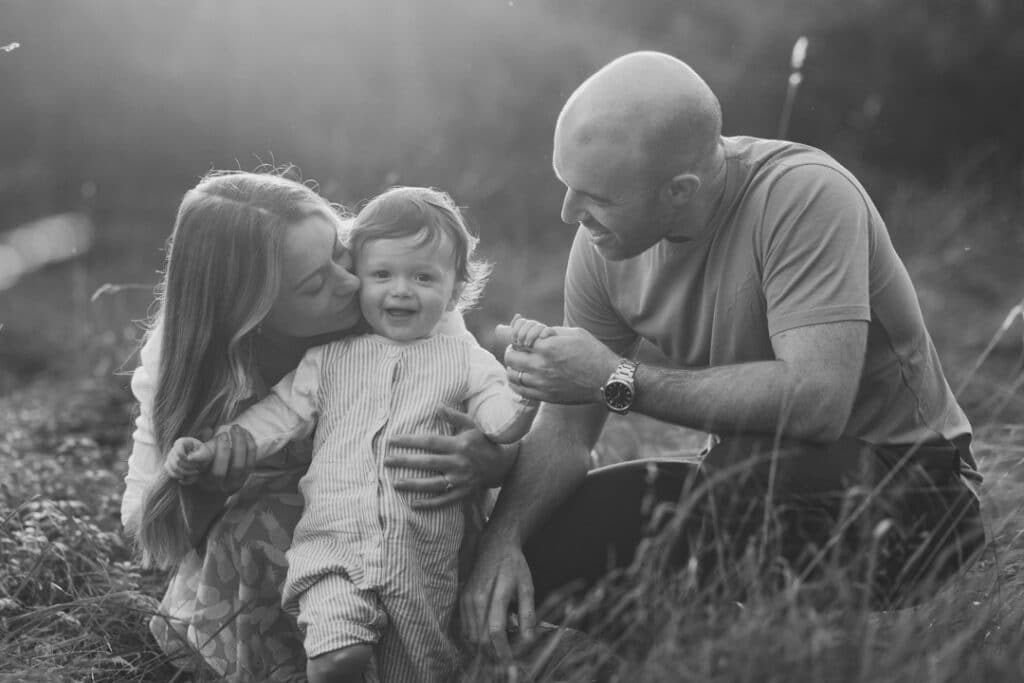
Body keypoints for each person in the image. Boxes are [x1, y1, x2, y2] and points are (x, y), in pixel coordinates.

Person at [460, 51, 986, 656]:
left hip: (916, 489)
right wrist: (502, 542)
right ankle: (688, 659)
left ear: (680, 190)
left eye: (596, 197)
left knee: (729, 490)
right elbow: (568, 430)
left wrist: (615, 378)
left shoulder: (804, 197)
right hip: (745, 483)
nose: (570, 214)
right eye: (566, 185)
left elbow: (817, 404)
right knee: (546, 549)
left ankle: (776, 653)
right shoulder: (600, 243)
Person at [120, 171, 515, 681]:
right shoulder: (185, 361)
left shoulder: (396, 286)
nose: (350, 281)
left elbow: (492, 414)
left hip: (413, 526)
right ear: (251, 314)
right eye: (315, 283)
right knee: (258, 516)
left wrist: (490, 460)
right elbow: (144, 521)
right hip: (284, 549)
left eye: (338, 249)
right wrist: (207, 490)